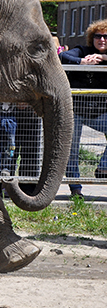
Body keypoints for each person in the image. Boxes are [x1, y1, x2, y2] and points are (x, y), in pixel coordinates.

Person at [60, 18, 107, 199]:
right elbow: (62, 56)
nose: (102, 40)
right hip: (76, 110)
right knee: (71, 150)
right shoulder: (82, 51)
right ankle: (76, 189)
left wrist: (103, 58)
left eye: (105, 37)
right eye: (98, 36)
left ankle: (103, 167)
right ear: (91, 37)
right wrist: (82, 62)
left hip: (100, 112)